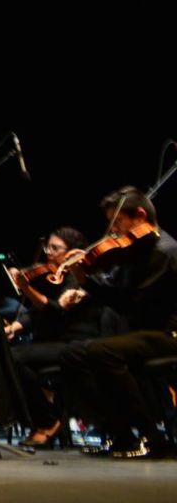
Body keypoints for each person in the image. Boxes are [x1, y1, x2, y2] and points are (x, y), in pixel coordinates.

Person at [60, 186, 177, 459]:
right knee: (72, 354)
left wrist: (91, 281)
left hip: (167, 332)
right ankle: (119, 433)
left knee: (103, 351)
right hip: (142, 332)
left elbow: (129, 305)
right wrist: (86, 280)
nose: (114, 233)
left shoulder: (164, 251)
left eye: (118, 223)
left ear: (139, 215)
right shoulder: (133, 253)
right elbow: (117, 295)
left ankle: (152, 435)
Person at [4, 227, 105, 448]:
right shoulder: (54, 277)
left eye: (55, 248)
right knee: (14, 361)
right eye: (47, 246)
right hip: (52, 343)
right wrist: (16, 326)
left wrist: (27, 288)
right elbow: (36, 311)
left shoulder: (80, 275)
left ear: (72, 251)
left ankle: (48, 422)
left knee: (13, 358)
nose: (48, 252)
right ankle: (45, 420)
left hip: (75, 344)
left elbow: (54, 310)